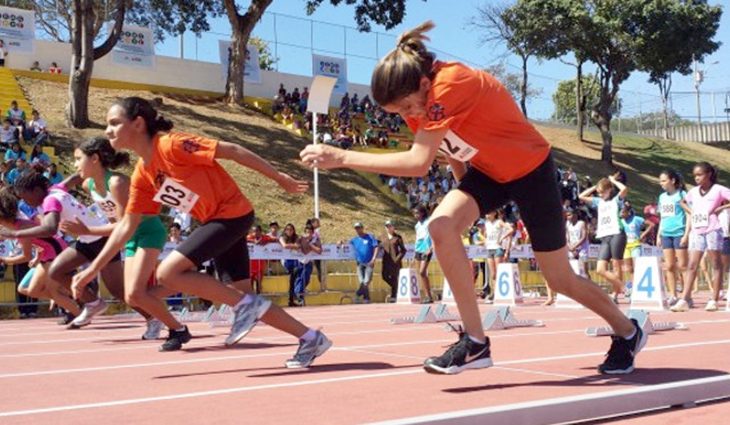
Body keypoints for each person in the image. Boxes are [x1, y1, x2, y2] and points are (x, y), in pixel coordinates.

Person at [300, 21, 645, 375]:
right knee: (442, 225)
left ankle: (628, 331)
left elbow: (419, 164)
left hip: (532, 171)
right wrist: (469, 195)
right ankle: (475, 342)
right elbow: (451, 146)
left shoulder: (451, 83)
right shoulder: (422, 99)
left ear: (422, 83)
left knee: (559, 279)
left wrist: (341, 158)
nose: (406, 117)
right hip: (489, 173)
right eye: (398, 114)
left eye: (406, 108)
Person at [71, 97, 330, 367]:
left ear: (137, 123)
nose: (108, 131)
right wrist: (91, 271)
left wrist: (279, 178)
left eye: (114, 123)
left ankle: (245, 307)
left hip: (233, 214)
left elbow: (233, 150)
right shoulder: (142, 174)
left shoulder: (171, 144)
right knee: (243, 296)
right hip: (215, 222)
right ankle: (310, 338)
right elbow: (126, 226)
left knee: (168, 272)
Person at [61, 137, 178, 345]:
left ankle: (180, 296)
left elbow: (127, 223)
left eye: (78, 159)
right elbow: (116, 222)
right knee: (128, 293)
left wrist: (87, 230)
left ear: (95, 159)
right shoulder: (89, 185)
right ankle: (161, 308)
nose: (75, 164)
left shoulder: (117, 183)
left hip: (147, 231)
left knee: (135, 292)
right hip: (126, 236)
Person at [3, 172, 121, 328]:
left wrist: (14, 234)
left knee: (119, 290)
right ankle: (91, 301)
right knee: (56, 272)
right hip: (85, 241)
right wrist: (91, 171)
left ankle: (152, 317)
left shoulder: (50, 201)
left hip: (100, 240)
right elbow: (74, 178)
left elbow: (50, 229)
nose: (23, 202)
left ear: (36, 190)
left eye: (25, 197)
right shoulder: (56, 189)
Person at [0, 188, 67, 318]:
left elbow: (39, 231)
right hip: (46, 253)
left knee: (52, 289)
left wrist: (4, 259)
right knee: (25, 288)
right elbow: (38, 240)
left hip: (55, 250)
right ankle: (63, 297)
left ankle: (73, 300)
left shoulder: (21, 218)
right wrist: (38, 256)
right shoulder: (15, 221)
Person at [672, 162, 730, 312]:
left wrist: (721, 208)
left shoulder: (718, 190)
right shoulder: (694, 191)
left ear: (708, 175)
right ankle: (684, 298)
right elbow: (682, 202)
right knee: (692, 264)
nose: (696, 178)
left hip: (713, 229)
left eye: (699, 175)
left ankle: (714, 299)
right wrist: (691, 212)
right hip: (697, 231)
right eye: (695, 175)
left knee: (716, 264)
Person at [579, 175, 629, 304]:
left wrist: (613, 181)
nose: (600, 195)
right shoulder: (598, 201)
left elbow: (624, 189)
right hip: (605, 235)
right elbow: (581, 196)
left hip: (617, 233)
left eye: (603, 192)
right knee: (600, 269)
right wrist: (595, 187)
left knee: (616, 265)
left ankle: (615, 294)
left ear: (609, 190)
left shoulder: (616, 200)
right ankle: (625, 288)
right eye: (599, 193)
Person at [656, 170, 688, 304]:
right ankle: (673, 295)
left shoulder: (682, 194)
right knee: (669, 266)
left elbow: (689, 215)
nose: (661, 183)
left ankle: (686, 296)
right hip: (666, 234)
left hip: (679, 232)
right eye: (660, 181)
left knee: (682, 265)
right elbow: (662, 217)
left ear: (672, 181)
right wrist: (659, 234)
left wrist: (686, 234)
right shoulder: (662, 197)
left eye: (663, 180)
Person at [620, 205, 654, 289]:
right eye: (620, 212)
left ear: (628, 212)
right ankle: (633, 285)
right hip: (626, 246)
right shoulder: (621, 221)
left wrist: (643, 234)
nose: (621, 214)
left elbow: (651, 224)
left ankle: (640, 284)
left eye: (623, 212)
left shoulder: (636, 219)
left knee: (637, 266)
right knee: (629, 268)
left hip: (635, 245)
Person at [349, 222, 380, 303]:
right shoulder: (354, 240)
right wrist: (340, 242)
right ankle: (367, 298)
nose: (357, 229)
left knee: (366, 281)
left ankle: (358, 294)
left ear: (362, 228)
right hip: (359, 263)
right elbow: (346, 244)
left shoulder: (370, 237)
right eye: (356, 228)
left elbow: (376, 247)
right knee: (362, 282)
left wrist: (373, 259)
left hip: (369, 263)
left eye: (359, 227)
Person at [380, 219, 406, 301]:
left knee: (394, 277)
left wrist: (397, 259)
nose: (388, 228)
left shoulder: (398, 237)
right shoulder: (382, 237)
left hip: (395, 262)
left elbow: (403, 250)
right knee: (384, 276)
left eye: (390, 226)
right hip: (386, 261)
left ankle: (394, 296)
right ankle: (396, 287)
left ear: (393, 227)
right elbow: (375, 244)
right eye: (387, 226)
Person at [413, 204, 434, 302]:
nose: (415, 215)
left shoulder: (428, 222)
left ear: (422, 213)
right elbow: (418, 238)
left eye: (417, 213)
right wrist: (415, 251)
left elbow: (434, 235)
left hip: (427, 249)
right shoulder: (417, 225)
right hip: (419, 250)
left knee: (422, 271)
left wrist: (431, 248)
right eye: (414, 213)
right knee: (421, 274)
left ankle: (429, 295)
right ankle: (427, 295)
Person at [247, 225, 275, 294]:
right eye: (253, 231)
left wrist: (266, 241)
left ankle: (258, 300)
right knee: (249, 286)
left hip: (260, 266)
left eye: (257, 231)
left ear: (260, 231)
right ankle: (250, 302)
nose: (255, 233)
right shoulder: (249, 237)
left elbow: (274, 239)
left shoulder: (264, 237)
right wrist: (253, 241)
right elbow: (244, 239)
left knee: (259, 286)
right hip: (250, 266)